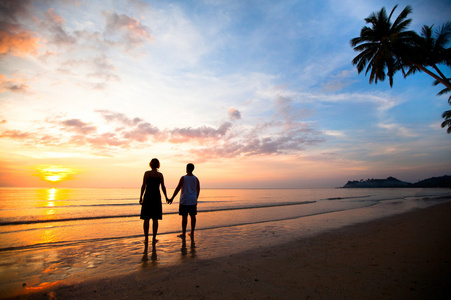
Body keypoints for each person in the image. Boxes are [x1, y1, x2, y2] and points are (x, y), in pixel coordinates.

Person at [139, 158, 168, 247]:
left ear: (150, 164)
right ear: (158, 165)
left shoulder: (147, 173)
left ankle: (146, 238)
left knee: (146, 218)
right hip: (156, 197)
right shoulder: (160, 175)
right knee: (155, 218)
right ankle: (154, 238)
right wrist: (166, 197)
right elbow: (163, 187)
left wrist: (140, 197)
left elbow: (143, 185)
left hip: (148, 196)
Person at [169, 163, 200, 240]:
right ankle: (192, 232)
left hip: (185, 200)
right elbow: (198, 189)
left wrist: (172, 197)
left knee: (184, 217)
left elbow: (178, 188)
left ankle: (183, 233)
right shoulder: (196, 179)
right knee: (193, 216)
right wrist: (196, 198)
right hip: (192, 199)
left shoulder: (183, 178)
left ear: (186, 169)